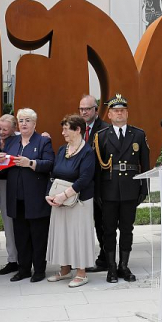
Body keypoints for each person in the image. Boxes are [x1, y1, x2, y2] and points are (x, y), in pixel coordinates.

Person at [93, 94, 150, 283]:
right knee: (108, 230)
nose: (119, 113)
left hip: (130, 188)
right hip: (109, 189)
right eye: (115, 111)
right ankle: (111, 268)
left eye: (122, 110)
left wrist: (144, 188)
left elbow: (145, 163)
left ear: (127, 113)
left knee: (127, 229)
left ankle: (124, 266)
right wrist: (97, 192)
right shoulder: (101, 136)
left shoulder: (138, 134)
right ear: (109, 114)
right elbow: (96, 167)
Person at [3, 109, 54, 282]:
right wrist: (0, 159)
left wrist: (30, 163)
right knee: (21, 235)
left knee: (38, 235)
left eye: (27, 120)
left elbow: (49, 164)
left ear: (35, 123)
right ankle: (23, 268)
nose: (24, 124)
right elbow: (7, 163)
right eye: (21, 121)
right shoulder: (12, 141)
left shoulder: (43, 141)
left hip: (36, 197)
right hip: (16, 197)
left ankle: (39, 269)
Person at [45, 115, 96, 288]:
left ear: (78, 130)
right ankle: (65, 269)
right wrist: (49, 194)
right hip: (59, 201)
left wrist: (64, 195)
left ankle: (81, 273)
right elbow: (53, 173)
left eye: (66, 129)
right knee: (62, 235)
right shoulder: (61, 150)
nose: (63, 132)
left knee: (78, 236)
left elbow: (85, 179)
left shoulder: (88, 152)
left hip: (79, 201)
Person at [79, 94, 109, 272]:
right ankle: (83, 258)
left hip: (99, 186)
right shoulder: (77, 128)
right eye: (81, 108)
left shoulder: (105, 129)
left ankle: (105, 259)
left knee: (101, 224)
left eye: (87, 109)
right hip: (81, 187)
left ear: (96, 110)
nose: (84, 112)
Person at [0, 114, 20, 276]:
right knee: (8, 222)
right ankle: (12, 259)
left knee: (21, 222)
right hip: (2, 184)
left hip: (18, 183)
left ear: (14, 128)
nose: (2, 132)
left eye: (5, 129)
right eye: (0, 128)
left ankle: (25, 257)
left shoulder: (19, 139)